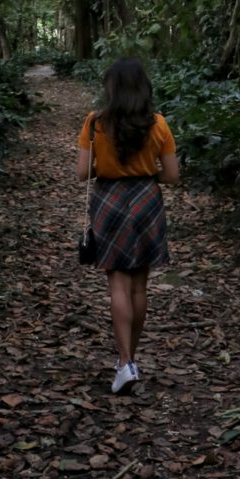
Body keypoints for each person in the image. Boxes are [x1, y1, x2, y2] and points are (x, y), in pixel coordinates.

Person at [76, 57, 180, 394]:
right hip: (147, 201)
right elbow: (172, 175)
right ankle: (128, 360)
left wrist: (108, 165)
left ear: (112, 89)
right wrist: (144, 169)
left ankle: (125, 363)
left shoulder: (95, 124)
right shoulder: (159, 124)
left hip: (109, 201)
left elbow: (81, 173)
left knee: (117, 285)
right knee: (139, 287)